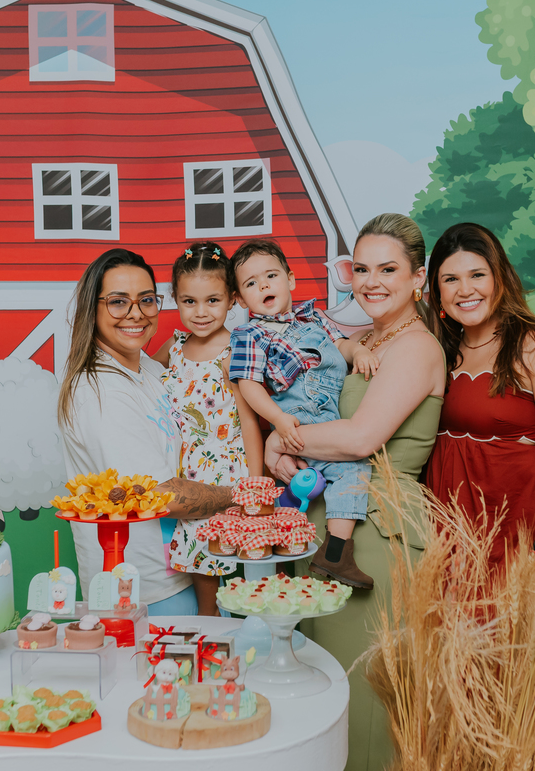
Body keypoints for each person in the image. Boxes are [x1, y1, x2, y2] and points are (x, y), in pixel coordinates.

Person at [263, 214, 445, 771]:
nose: (371, 281)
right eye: (361, 268)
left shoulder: (415, 347)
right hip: (325, 519)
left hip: (378, 530)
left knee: (359, 694)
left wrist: (280, 435)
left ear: (418, 278)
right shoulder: (360, 339)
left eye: (388, 269)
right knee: (315, 689)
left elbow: (363, 436)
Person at [423, 222, 535, 770]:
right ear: (436, 290)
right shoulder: (438, 346)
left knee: (520, 674)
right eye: (451, 279)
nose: (465, 288)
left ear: (500, 279)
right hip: (450, 536)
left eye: (477, 274)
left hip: (519, 535)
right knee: (454, 672)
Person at [57, 248, 240, 616]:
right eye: (118, 302)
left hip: (186, 565)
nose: (135, 313)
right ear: (92, 308)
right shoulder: (100, 392)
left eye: (146, 300)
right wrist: (245, 493)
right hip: (143, 590)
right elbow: (162, 496)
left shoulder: (153, 371)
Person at [227, 239, 378, 588]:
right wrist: (278, 422)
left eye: (270, 275)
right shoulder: (249, 335)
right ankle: (336, 553)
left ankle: (297, 510)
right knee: (353, 467)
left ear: (290, 280)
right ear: (239, 299)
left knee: (337, 465)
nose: (263, 285)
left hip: (331, 412)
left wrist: (358, 352)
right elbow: (248, 385)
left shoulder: (313, 317)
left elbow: (340, 344)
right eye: (251, 283)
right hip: (300, 415)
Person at [151, 242, 261, 616]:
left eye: (212, 301)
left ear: (232, 299)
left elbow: (249, 420)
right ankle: (208, 620)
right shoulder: (174, 348)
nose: (200, 312)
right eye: (189, 301)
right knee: (199, 552)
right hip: (185, 469)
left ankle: (247, 627)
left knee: (235, 549)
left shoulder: (235, 351)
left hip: (226, 469)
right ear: (175, 299)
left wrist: (255, 487)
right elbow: (143, 384)